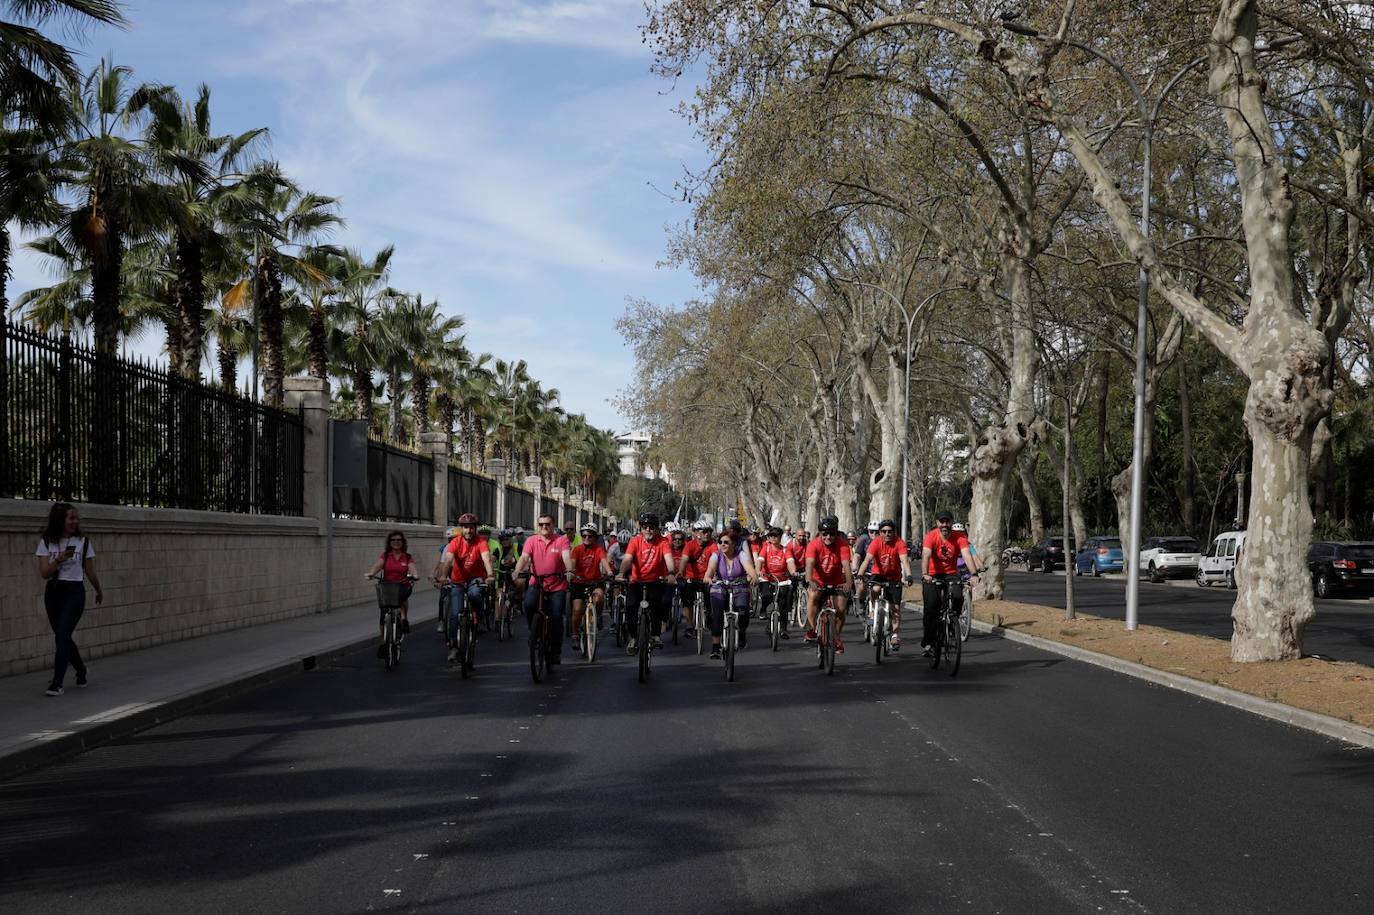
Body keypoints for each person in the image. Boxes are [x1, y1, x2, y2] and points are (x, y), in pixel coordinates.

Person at [34, 502, 103, 697]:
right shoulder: (47, 542)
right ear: (60, 520)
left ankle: (57, 683)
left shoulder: (84, 542)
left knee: (63, 635)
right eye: (71, 518)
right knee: (62, 636)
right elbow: (44, 573)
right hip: (54, 592)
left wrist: (98, 590)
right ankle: (80, 669)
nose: (75, 522)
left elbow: (90, 571)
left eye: (76, 518)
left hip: (74, 592)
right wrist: (60, 559)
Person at [435, 513, 495, 663]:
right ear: (461, 529)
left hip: (475, 578)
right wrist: (443, 576)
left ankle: (480, 617)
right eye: (465, 527)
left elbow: (486, 558)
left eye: (471, 527)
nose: (468, 530)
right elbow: (448, 561)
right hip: (458, 580)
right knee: (455, 615)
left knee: (475, 594)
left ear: (475, 528)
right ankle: (453, 646)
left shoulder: (481, 541)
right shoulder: (455, 542)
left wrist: (490, 575)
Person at [515, 514, 573, 665]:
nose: (544, 527)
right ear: (537, 526)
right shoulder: (531, 540)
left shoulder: (561, 540)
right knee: (528, 604)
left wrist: (569, 570)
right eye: (541, 525)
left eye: (547, 524)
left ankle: (556, 651)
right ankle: (534, 633)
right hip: (537, 582)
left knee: (556, 616)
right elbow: (524, 558)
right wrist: (517, 570)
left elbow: (566, 557)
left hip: (557, 585)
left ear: (553, 525)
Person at [921, 511, 979, 656]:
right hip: (932, 574)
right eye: (942, 522)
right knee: (931, 607)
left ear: (952, 523)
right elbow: (926, 556)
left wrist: (974, 574)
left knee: (958, 596)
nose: (944, 525)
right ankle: (929, 642)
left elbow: (966, 555)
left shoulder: (959, 537)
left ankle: (953, 621)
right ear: (937, 523)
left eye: (947, 522)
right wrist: (925, 574)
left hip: (951, 574)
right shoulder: (931, 536)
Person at [617, 512, 676, 653]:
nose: (648, 530)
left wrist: (671, 573)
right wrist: (621, 573)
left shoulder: (663, 542)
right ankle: (633, 638)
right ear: (641, 529)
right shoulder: (634, 541)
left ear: (656, 529)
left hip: (655, 581)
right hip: (637, 581)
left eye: (651, 527)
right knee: (630, 607)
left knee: (657, 606)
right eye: (645, 527)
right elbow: (627, 560)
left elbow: (668, 559)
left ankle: (655, 635)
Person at [855, 519, 913, 650]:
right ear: (880, 532)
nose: (887, 534)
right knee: (875, 588)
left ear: (894, 532)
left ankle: (894, 636)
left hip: (894, 577)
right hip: (878, 574)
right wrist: (860, 574)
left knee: (896, 609)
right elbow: (867, 560)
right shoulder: (875, 542)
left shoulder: (899, 543)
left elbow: (905, 561)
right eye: (884, 531)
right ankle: (875, 610)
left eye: (890, 531)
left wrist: (908, 576)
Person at [704, 528, 758, 658]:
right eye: (720, 541)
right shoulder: (716, 555)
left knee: (743, 611)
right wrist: (708, 577)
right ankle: (715, 647)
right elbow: (711, 568)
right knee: (716, 615)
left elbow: (749, 568)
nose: (723, 544)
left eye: (726, 542)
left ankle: (742, 633)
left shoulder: (741, 555)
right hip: (720, 586)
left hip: (739, 586)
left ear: (734, 543)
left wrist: (753, 576)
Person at [804, 516, 852, 651]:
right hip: (817, 580)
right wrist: (809, 580)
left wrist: (849, 582)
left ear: (836, 533)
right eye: (825, 534)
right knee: (813, 596)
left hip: (837, 580)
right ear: (820, 534)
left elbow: (846, 566)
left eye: (832, 533)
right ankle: (813, 629)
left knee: (841, 610)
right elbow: (809, 564)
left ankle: (836, 637)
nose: (828, 537)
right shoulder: (813, 544)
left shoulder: (842, 544)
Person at [367, 530, 418, 655]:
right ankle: (383, 642)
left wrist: (414, 575)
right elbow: (377, 566)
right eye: (393, 540)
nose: (396, 542)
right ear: (390, 542)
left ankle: (404, 618)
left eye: (399, 540)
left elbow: (412, 568)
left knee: (402, 596)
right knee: (383, 613)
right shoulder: (385, 556)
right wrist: (371, 573)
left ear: (403, 542)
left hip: (403, 585)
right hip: (388, 587)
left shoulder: (407, 557)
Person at [569, 523, 612, 649]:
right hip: (579, 582)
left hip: (595, 582)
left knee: (599, 597)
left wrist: (609, 571)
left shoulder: (598, 548)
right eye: (584, 536)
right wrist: (571, 572)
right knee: (577, 610)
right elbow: (572, 563)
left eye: (590, 536)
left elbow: (604, 560)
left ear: (594, 537)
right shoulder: (577, 549)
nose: (587, 539)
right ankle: (575, 635)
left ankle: (597, 617)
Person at [754, 526, 796, 638]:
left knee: (783, 605)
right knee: (767, 596)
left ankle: (783, 629)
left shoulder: (785, 550)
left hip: (782, 580)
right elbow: (760, 561)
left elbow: (790, 562)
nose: (773, 538)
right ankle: (763, 609)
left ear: (780, 537)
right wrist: (758, 571)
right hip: (767, 578)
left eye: (776, 536)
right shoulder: (766, 548)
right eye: (771, 536)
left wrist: (793, 572)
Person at [678, 520, 715, 639]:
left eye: (709, 531)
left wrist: (713, 576)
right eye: (704, 531)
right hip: (691, 578)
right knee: (686, 598)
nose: (707, 534)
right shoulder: (690, 545)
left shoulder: (713, 545)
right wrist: (680, 573)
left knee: (712, 595)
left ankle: (709, 616)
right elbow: (684, 560)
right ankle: (689, 625)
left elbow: (716, 561)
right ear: (695, 533)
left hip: (707, 578)